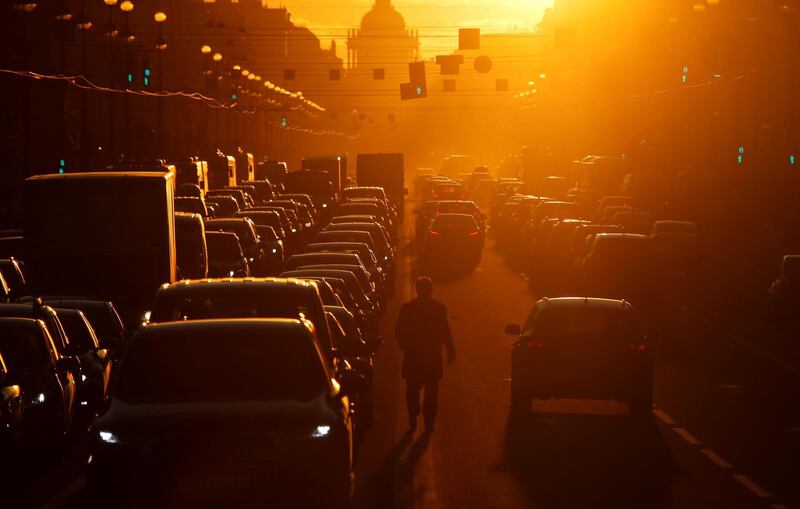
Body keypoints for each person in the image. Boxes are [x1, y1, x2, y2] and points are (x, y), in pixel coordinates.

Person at [395, 276, 456, 434]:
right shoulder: (436, 308)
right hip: (425, 356)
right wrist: (450, 350)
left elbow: (444, 331)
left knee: (422, 391)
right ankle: (421, 418)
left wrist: (450, 349)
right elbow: (445, 331)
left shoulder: (409, 308)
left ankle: (421, 419)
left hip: (421, 356)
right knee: (427, 392)